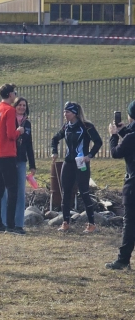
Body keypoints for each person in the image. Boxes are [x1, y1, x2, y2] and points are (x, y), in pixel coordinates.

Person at [51, 101, 102, 233]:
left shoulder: (86, 126)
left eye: (67, 112)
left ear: (74, 113)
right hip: (68, 162)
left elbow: (98, 142)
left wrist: (89, 155)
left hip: (81, 163)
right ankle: (65, 222)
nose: (65, 114)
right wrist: (54, 152)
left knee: (84, 192)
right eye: (64, 111)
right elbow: (55, 139)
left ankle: (91, 224)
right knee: (66, 192)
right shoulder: (66, 127)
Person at [0, 83, 25, 234]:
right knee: (12, 190)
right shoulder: (9, 110)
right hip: (7, 154)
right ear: (10, 94)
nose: (15, 95)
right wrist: (19, 131)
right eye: (14, 93)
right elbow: (11, 134)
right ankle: (11, 225)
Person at [105, 101, 135, 269]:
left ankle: (123, 260)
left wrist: (114, 135)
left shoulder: (130, 137)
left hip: (133, 186)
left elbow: (116, 152)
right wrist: (124, 130)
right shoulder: (130, 135)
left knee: (130, 224)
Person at [1, 96, 36, 235]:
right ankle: (4, 222)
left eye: (24, 105)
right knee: (6, 191)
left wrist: (32, 164)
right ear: (14, 106)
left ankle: (18, 224)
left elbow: (29, 144)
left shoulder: (27, 123)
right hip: (8, 158)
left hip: (21, 160)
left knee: (20, 191)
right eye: (19, 105)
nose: (22, 107)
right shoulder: (9, 118)